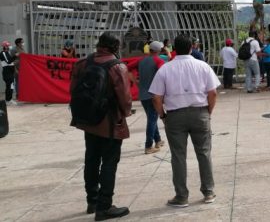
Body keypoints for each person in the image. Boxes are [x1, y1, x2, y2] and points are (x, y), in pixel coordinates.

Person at [149, 34, 220, 208]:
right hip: (200, 113)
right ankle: (208, 192)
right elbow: (213, 93)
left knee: (178, 156)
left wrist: (163, 116)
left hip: (174, 116)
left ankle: (181, 196)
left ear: (173, 49)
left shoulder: (165, 69)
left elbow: (156, 98)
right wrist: (208, 111)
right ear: (191, 48)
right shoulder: (202, 66)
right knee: (204, 153)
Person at [69, 32, 132, 220]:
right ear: (115, 46)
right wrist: (125, 114)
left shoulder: (82, 63)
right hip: (109, 122)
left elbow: (73, 90)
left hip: (88, 121)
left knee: (91, 159)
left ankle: (92, 201)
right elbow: (125, 99)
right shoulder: (117, 67)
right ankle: (104, 207)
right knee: (109, 163)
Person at [138, 41, 167, 155]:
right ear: (159, 50)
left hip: (143, 95)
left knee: (151, 118)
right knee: (152, 119)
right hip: (153, 95)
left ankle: (158, 140)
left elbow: (129, 68)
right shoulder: (158, 60)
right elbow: (163, 73)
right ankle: (148, 146)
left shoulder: (141, 61)